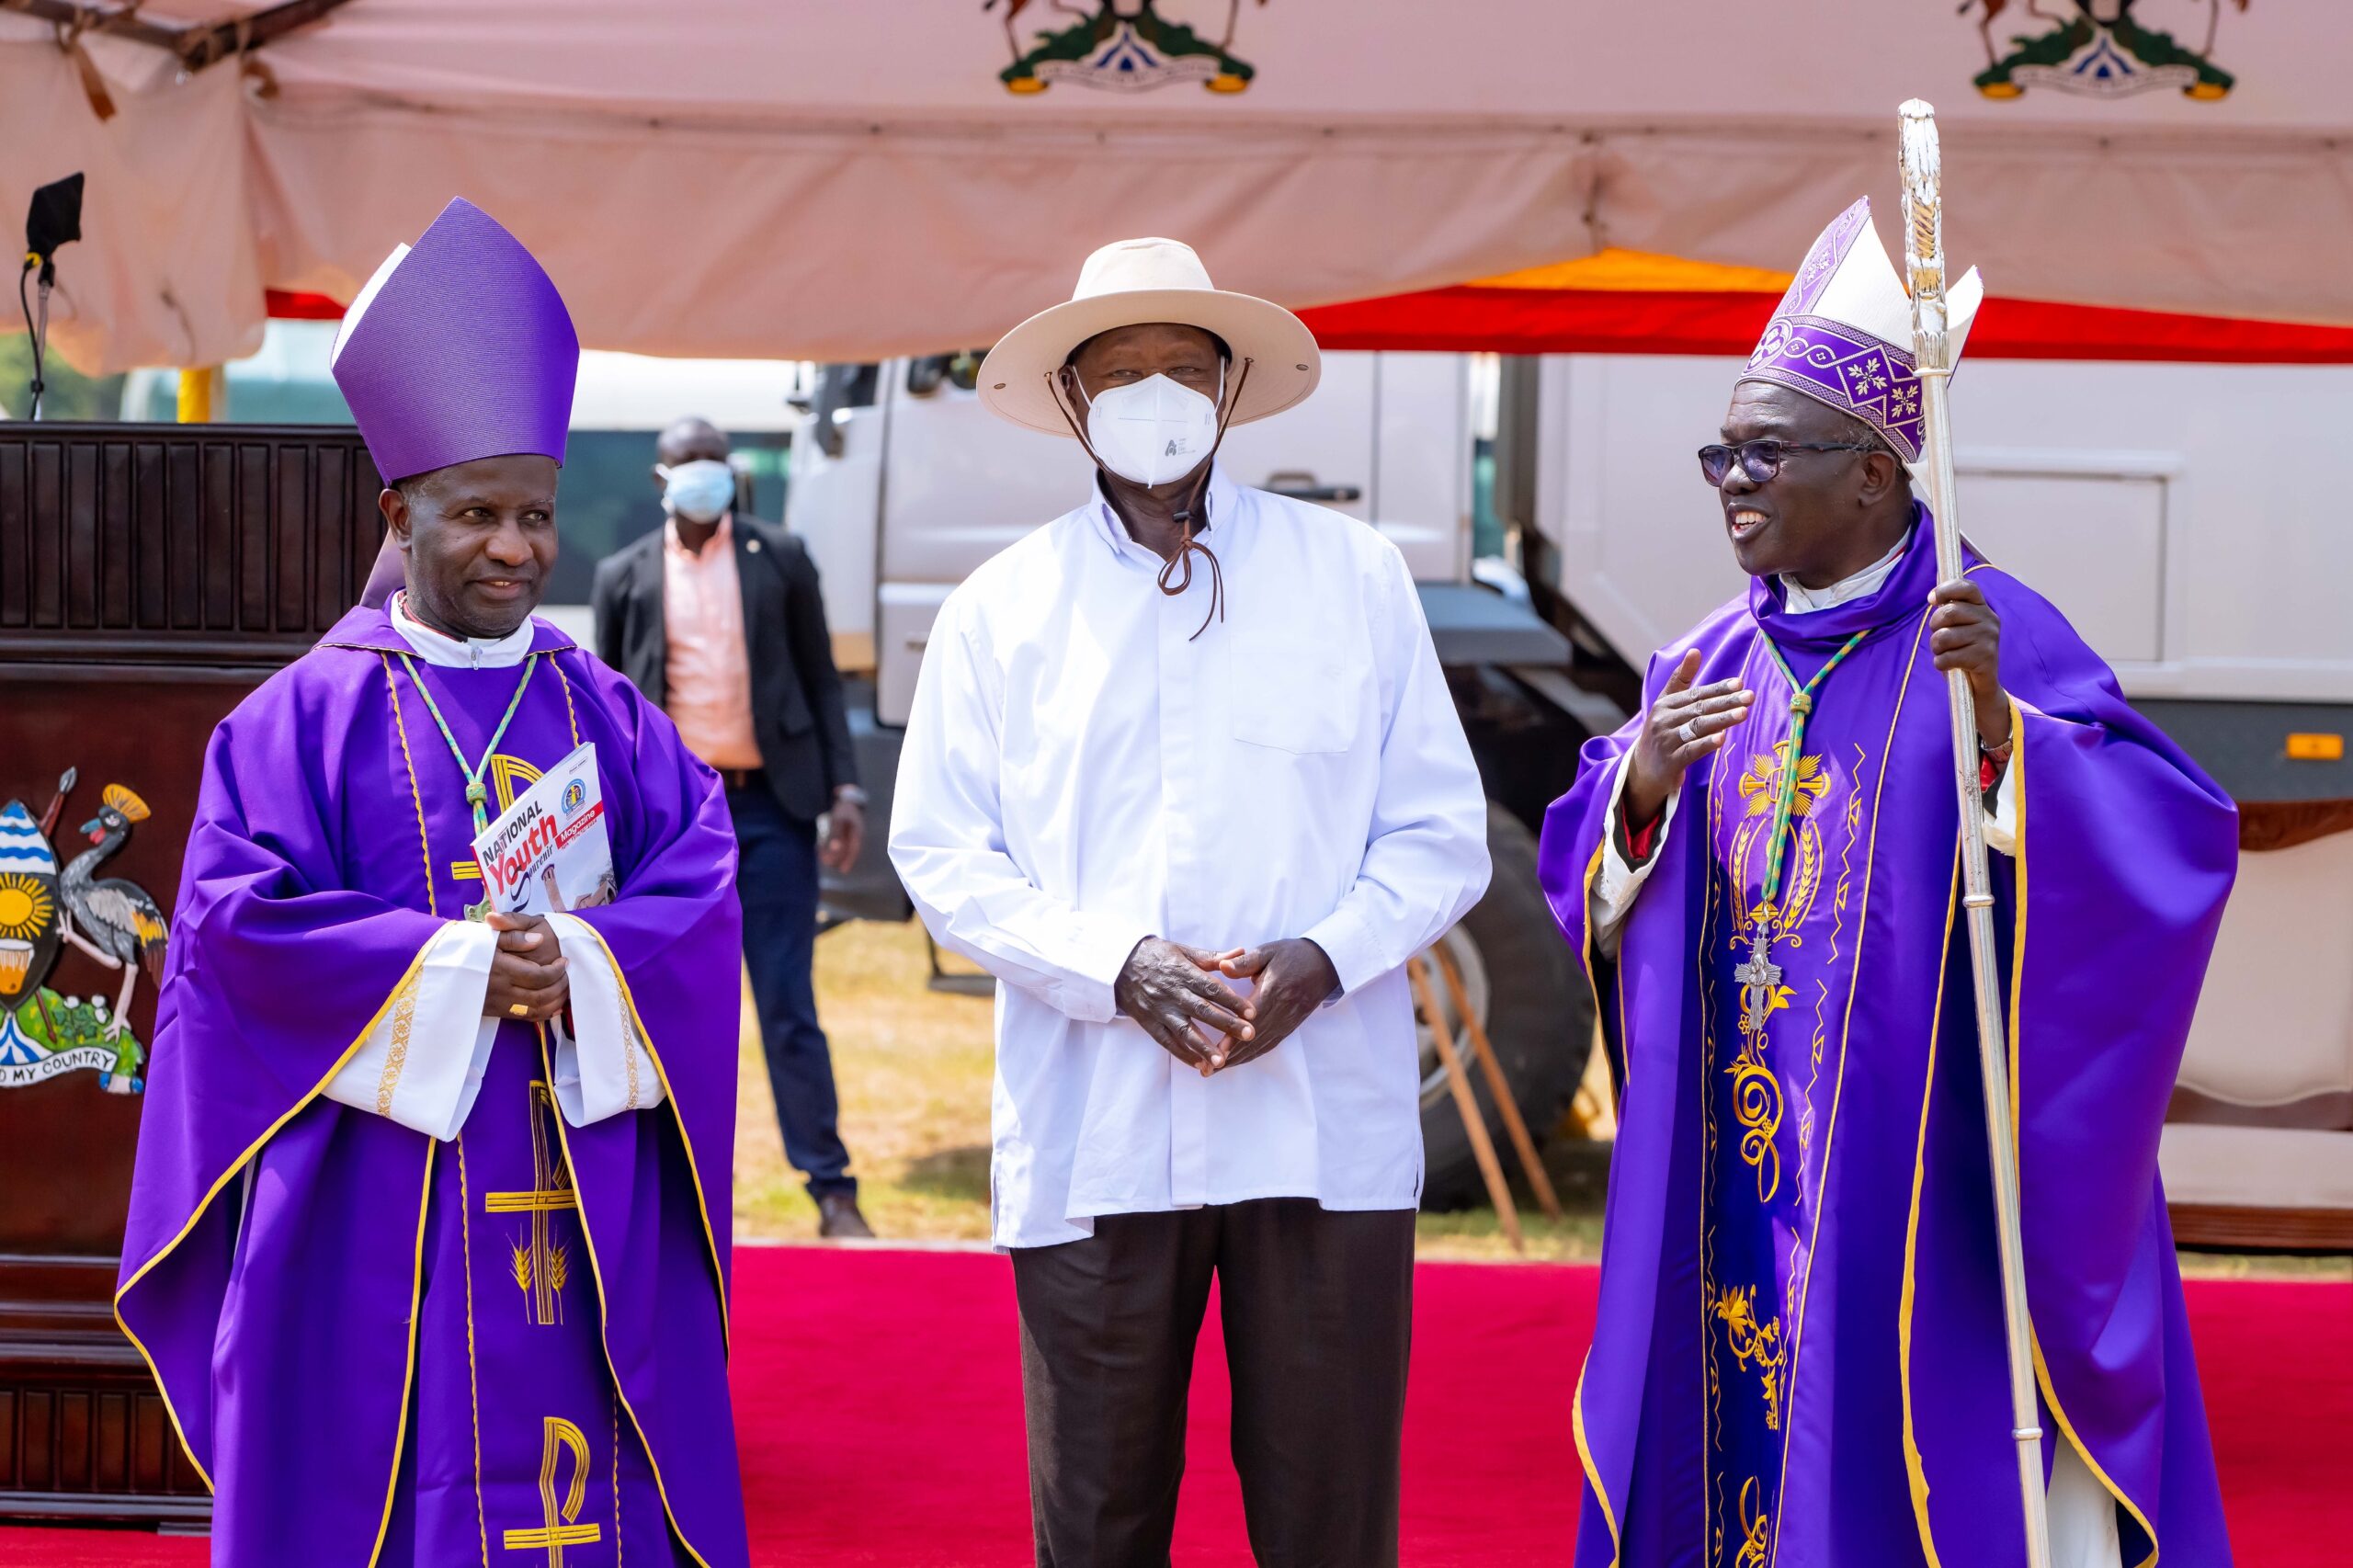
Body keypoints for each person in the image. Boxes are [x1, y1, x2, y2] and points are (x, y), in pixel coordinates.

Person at [1537, 199, 2237, 1568]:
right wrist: (1639, 801)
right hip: (1741, 1177)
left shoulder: (1988, 630)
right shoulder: (1702, 661)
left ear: (1872, 475)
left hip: (1928, 1187)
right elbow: (1585, 858)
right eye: (1719, 453)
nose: (1733, 480)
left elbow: (2169, 836)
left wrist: (2004, 744)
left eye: (1765, 452)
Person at [114, 199, 750, 1567]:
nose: (514, 548)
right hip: (376, 1213)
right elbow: (233, 935)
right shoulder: (294, 723)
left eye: (533, 514)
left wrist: (583, 966)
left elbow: (696, 884)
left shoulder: (613, 717)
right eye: (475, 515)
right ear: (399, 513)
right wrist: (457, 967)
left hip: (579, 1204)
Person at [888, 236, 1492, 1567]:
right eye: (1120, 373)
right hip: (1096, 1125)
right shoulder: (1001, 608)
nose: (1153, 394)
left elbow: (1441, 833)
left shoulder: (1355, 577)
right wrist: (1119, 966)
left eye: (1181, 367)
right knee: (1098, 1522)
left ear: (1228, 392)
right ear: (1069, 403)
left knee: (1328, 1518)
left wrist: (1325, 959)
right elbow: (942, 851)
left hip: (1319, 1127)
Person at [592, 416, 872, 1239]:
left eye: (716, 465)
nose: (704, 479)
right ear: (660, 481)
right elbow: (608, 707)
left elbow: (822, 680)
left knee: (787, 1002)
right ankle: (656, 1189)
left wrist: (844, 789)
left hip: (772, 809)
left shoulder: (780, 558)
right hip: (674, 822)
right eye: (689, 466)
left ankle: (833, 1189)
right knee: (657, 1006)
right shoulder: (624, 574)